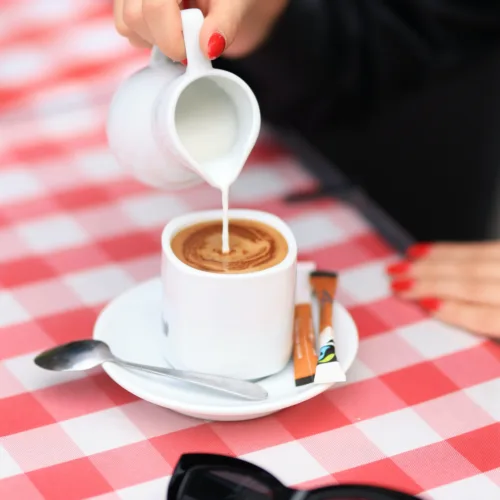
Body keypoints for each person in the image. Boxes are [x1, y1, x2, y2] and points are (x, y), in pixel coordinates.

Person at [113, 0, 500, 338]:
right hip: (321, 120)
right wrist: (269, 17)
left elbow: (444, 25)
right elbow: (371, 39)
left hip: (430, 171)